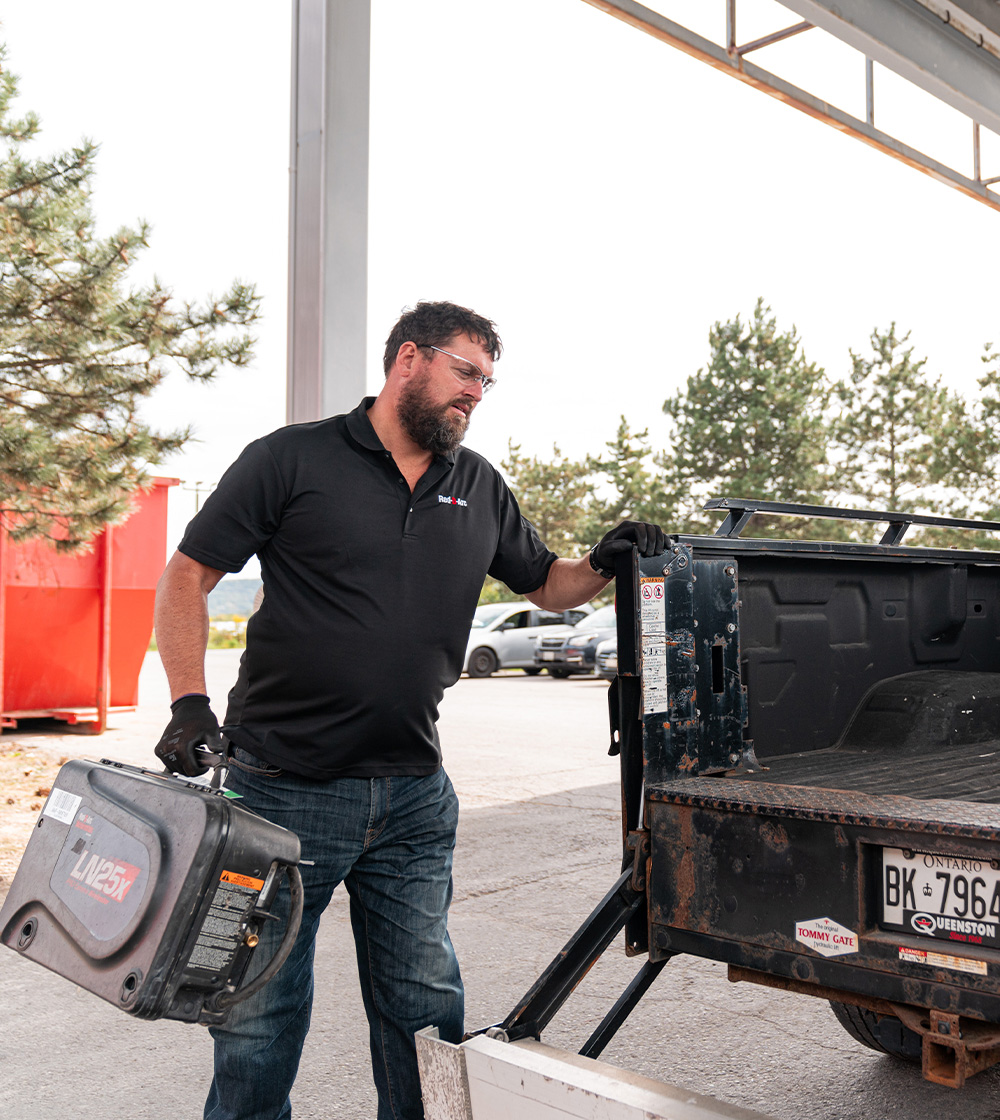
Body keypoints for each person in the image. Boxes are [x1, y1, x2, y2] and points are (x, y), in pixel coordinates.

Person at [153, 300, 666, 1120]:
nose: (476, 396)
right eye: (464, 373)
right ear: (407, 361)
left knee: (425, 1003)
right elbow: (187, 578)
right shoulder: (291, 459)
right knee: (258, 1014)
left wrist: (603, 560)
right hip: (279, 790)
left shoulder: (477, 484)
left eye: (487, 384)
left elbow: (545, 582)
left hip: (412, 795)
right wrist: (187, 703)